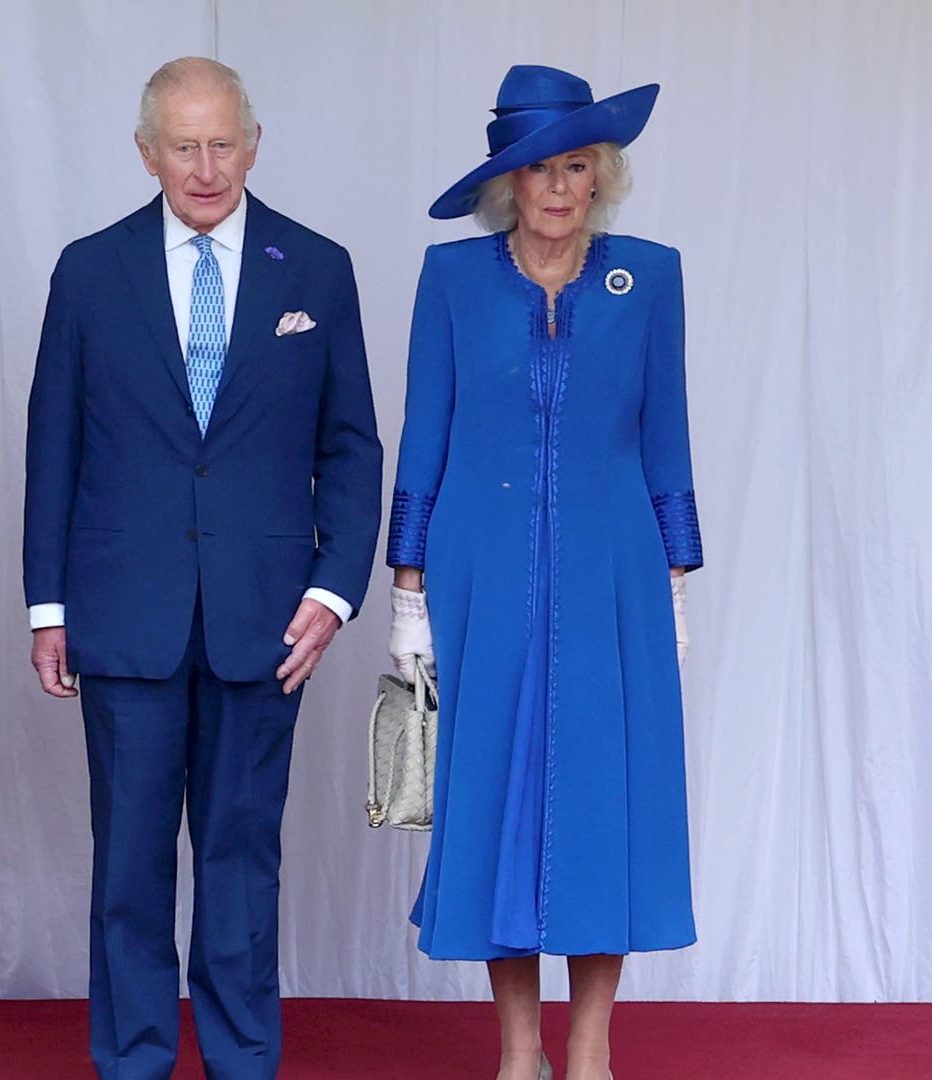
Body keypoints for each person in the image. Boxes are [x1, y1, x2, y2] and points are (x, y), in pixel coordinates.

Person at [23, 57, 381, 1080]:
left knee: (240, 862)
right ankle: (134, 1060)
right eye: (184, 145)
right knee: (128, 869)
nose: (206, 165)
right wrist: (48, 603)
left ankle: (241, 1061)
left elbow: (352, 445)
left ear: (253, 144)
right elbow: (56, 446)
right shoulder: (89, 272)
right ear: (147, 153)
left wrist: (332, 590)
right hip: (123, 611)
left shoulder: (316, 268)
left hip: (264, 620)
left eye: (223, 142)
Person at [386, 64, 701, 1080]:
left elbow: (668, 441)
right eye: (539, 169)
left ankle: (593, 1050)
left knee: (603, 801)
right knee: (499, 799)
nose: (560, 188)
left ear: (602, 176)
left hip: (617, 580)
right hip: (483, 578)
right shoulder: (452, 281)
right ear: (506, 183)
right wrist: (407, 590)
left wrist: (678, 578)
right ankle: (519, 1052)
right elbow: (421, 437)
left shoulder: (648, 277)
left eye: (578, 166)